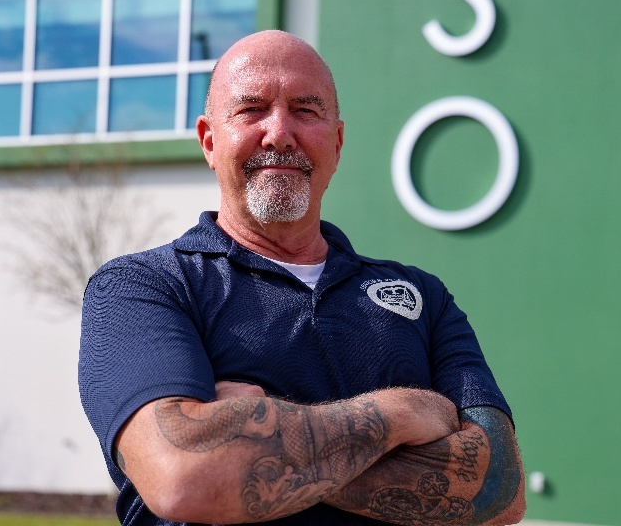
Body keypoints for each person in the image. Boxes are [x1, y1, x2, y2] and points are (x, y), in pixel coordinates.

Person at [79, 30, 525, 526]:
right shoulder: (143, 287)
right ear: (209, 140)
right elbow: (185, 476)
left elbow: (498, 490)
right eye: (251, 110)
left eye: (306, 110)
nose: (279, 133)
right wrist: (402, 414)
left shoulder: (424, 298)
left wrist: (254, 434)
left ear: (336, 142)